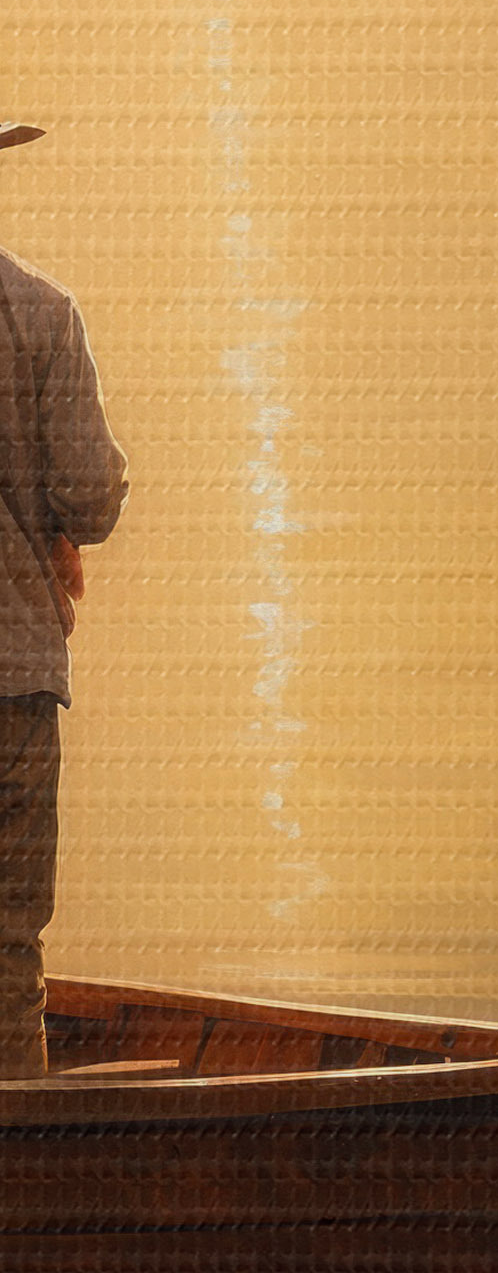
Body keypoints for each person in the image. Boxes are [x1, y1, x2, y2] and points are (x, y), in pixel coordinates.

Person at [0, 120, 130, 1078]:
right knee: (6, 934)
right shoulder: (38, 312)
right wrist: (48, 528)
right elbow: (90, 494)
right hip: (12, 672)